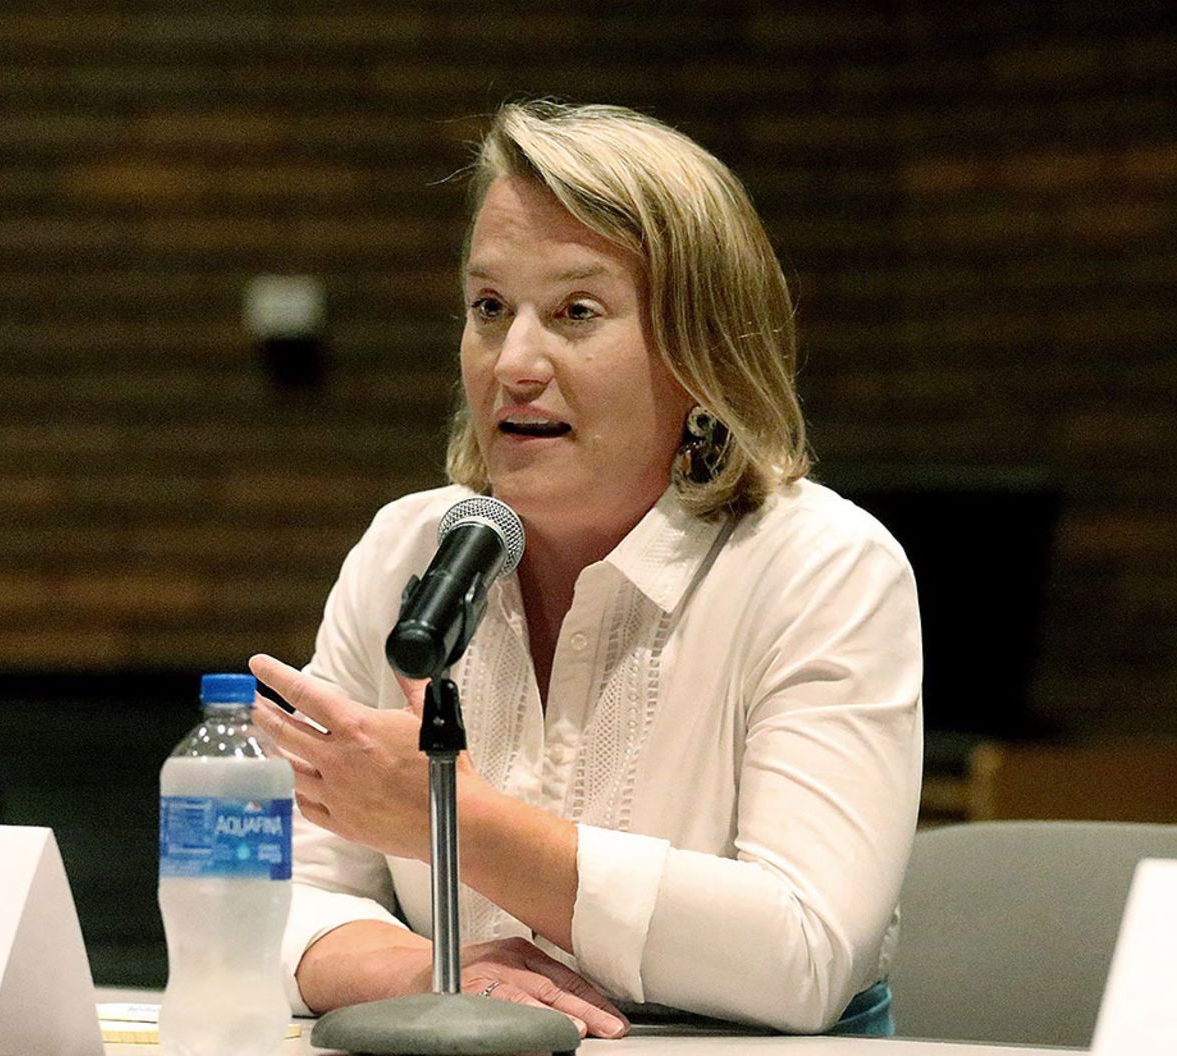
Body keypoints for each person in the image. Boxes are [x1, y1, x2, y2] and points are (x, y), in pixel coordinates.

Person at [250, 100, 922, 1038]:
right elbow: (271, 902)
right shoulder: (410, 551)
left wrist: (458, 820)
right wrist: (433, 971)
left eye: (575, 312)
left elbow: (804, 953)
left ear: (702, 352)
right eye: (490, 308)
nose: (514, 362)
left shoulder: (823, 568)